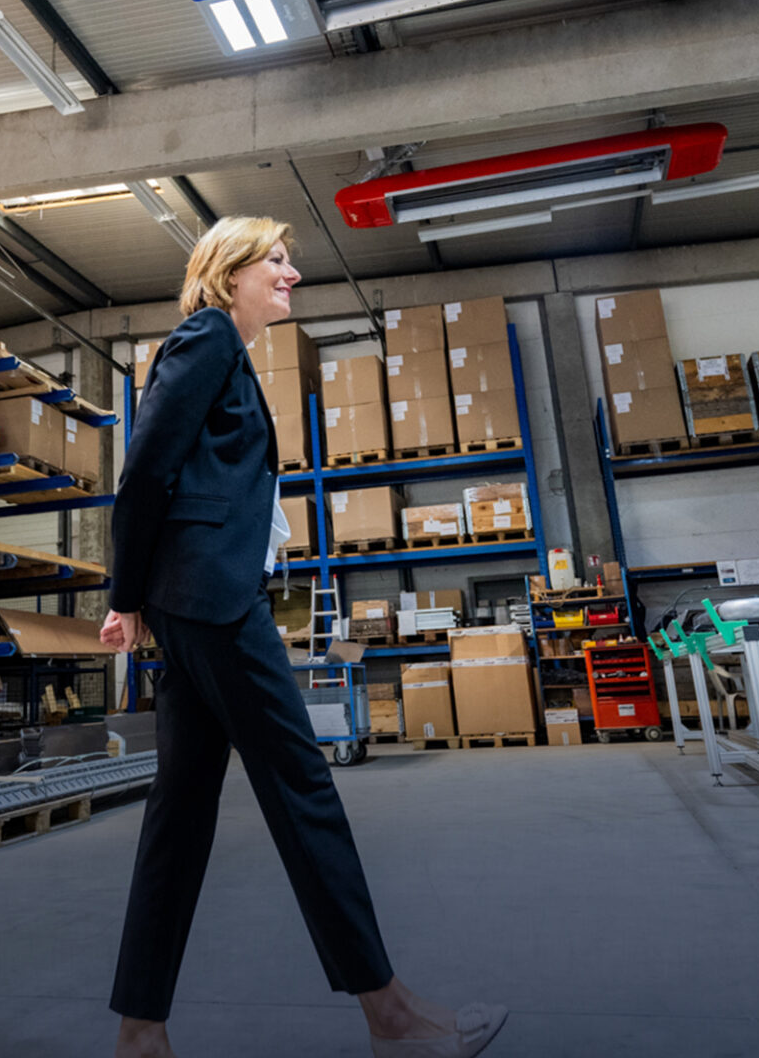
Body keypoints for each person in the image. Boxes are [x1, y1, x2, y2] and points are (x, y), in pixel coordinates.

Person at [102, 216, 508, 1058]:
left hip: (197, 599)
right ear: (231, 271)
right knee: (302, 788)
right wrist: (126, 597)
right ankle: (391, 1020)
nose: (292, 274)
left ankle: (141, 1033)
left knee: (179, 813)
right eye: (277, 262)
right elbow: (144, 472)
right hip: (210, 603)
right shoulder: (207, 336)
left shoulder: (227, 352)